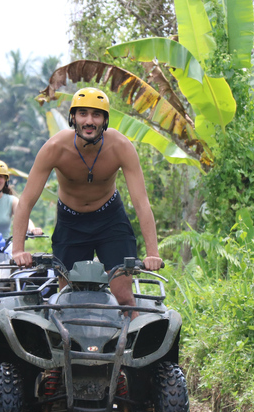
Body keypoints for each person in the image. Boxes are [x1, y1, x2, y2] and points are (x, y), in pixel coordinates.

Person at [11, 87, 164, 309]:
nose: (89, 121)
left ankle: (127, 340)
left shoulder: (121, 147)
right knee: (68, 300)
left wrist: (153, 253)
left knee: (123, 297)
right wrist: (17, 250)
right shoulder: (55, 148)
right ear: (73, 117)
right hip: (71, 223)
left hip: (110, 220)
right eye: (83, 113)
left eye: (96, 115)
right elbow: (25, 202)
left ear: (105, 120)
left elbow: (141, 203)